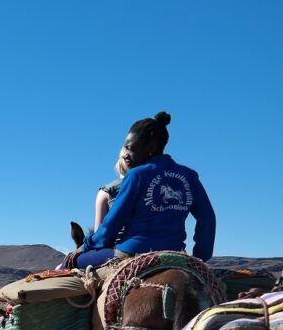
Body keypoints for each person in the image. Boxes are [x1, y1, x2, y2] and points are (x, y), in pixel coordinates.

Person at [64, 112, 216, 270]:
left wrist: (86, 246)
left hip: (133, 252)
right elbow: (207, 218)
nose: (126, 154)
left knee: (71, 262)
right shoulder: (189, 176)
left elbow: (113, 223)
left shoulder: (136, 175)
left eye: (130, 147)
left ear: (151, 147)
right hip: (175, 253)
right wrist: (200, 257)